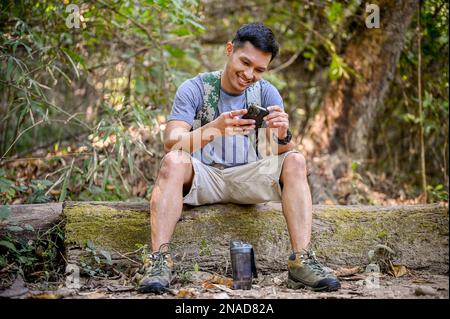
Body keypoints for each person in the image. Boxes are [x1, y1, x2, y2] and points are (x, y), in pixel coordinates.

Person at [138, 23, 340, 293]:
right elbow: (172, 142)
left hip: (249, 178)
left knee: (296, 160)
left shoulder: (266, 92)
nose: (249, 74)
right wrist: (215, 129)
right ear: (229, 50)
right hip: (203, 178)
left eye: (258, 70)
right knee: (173, 161)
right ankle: (158, 261)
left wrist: (281, 134)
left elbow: (275, 153)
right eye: (245, 63)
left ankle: (301, 260)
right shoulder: (195, 88)